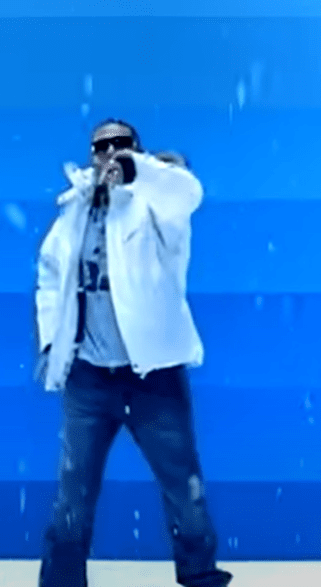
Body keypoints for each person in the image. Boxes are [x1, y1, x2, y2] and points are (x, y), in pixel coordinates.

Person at [33, 120, 232, 587]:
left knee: (183, 487)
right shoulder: (75, 211)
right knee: (72, 494)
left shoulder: (157, 205)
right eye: (101, 146)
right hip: (88, 378)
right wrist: (52, 340)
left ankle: (200, 577)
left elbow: (187, 192)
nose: (110, 152)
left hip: (153, 376)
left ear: (137, 150)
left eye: (120, 144)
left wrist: (138, 170)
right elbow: (50, 275)